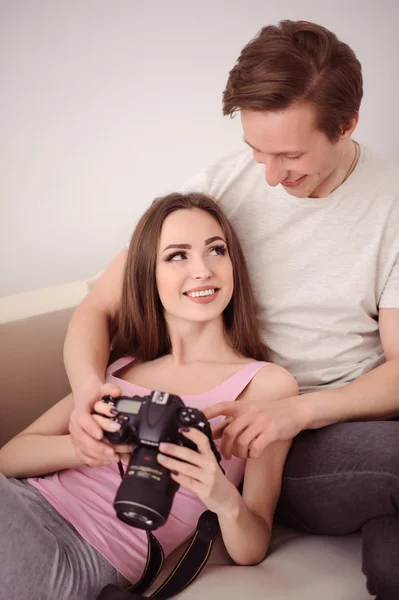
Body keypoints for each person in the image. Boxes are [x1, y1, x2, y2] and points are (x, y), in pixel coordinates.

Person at [63, 20, 399, 600]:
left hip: (330, 416)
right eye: (255, 150)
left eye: (290, 156)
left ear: (346, 125)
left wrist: (299, 412)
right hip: (262, 443)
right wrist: (88, 389)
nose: (268, 176)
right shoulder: (222, 184)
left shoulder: (391, 206)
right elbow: (96, 308)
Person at [0, 192, 297, 600]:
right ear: (148, 274)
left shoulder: (265, 386)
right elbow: (10, 457)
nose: (203, 270)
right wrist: (90, 448)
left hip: (78, 556)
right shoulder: (121, 368)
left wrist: (221, 495)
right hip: (24, 502)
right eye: (178, 256)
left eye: (216, 250)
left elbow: (253, 544)